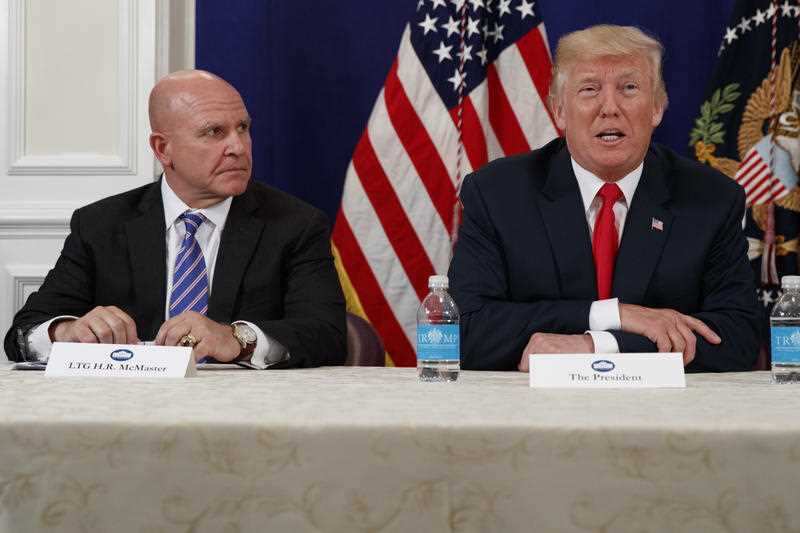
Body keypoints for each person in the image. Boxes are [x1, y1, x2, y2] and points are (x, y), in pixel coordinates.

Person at [448, 25, 760, 372]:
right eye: (589, 89)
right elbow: (461, 329)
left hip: (661, 416)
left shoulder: (711, 199)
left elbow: (739, 337)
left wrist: (599, 344)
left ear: (657, 107)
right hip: (536, 414)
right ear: (560, 110)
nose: (609, 107)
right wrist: (613, 314)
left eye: (629, 88)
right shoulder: (498, 194)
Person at [4, 70, 346, 368]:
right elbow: (22, 334)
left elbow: (327, 336)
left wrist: (236, 339)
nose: (238, 147)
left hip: (247, 413)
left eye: (243, 128)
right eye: (214, 132)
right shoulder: (101, 225)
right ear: (162, 149)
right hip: (125, 411)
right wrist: (66, 331)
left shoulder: (295, 224)